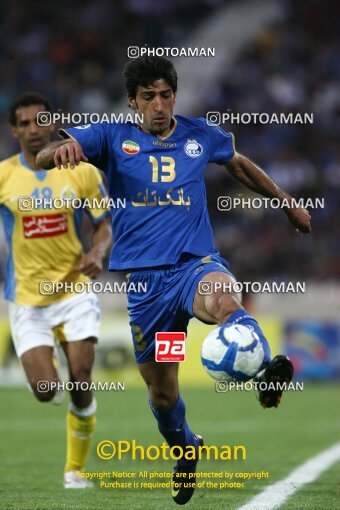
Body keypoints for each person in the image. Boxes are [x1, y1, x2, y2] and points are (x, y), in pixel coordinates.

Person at [37, 56, 311, 505]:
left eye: (166, 95)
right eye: (149, 97)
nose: (159, 104)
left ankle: (263, 372)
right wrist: (59, 152)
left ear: (174, 96)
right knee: (163, 397)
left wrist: (285, 201)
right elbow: (49, 152)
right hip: (147, 289)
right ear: (132, 101)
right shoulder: (110, 136)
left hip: (194, 267)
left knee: (225, 298)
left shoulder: (199, 134)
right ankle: (186, 448)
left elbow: (238, 164)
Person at [0, 92, 112, 489]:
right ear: (14, 130)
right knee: (47, 391)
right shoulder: (4, 176)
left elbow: (103, 226)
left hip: (74, 291)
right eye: (25, 123)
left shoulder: (82, 171)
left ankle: (74, 471)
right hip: (28, 300)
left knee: (81, 379)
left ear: (52, 124)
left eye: (40, 121)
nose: (34, 129)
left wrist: (98, 253)